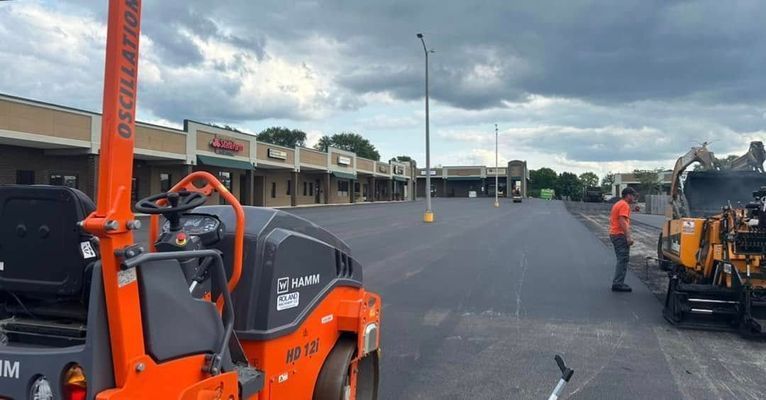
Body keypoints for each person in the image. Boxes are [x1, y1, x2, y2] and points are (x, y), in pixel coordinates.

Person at [609, 187, 637, 292]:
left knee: (621, 259)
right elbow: (622, 221)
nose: (634, 198)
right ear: (628, 195)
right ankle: (618, 284)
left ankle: (618, 282)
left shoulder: (618, 203)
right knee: (623, 259)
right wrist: (628, 237)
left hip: (614, 234)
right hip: (619, 235)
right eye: (633, 195)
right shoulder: (624, 205)